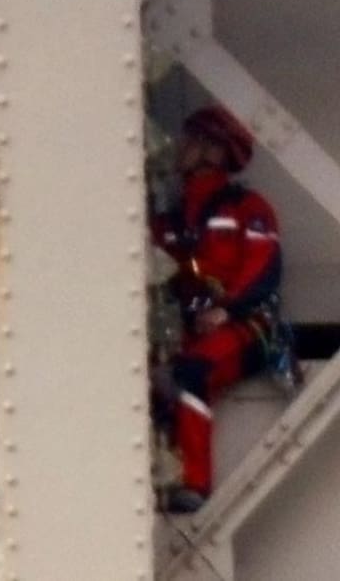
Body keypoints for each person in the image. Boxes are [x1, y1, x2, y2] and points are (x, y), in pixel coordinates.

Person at [152, 106, 283, 513]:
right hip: (196, 327)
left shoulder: (247, 208)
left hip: (248, 327)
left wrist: (228, 310)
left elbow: (264, 268)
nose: (181, 148)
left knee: (194, 371)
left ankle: (194, 482)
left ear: (212, 149)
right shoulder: (175, 219)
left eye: (190, 140)